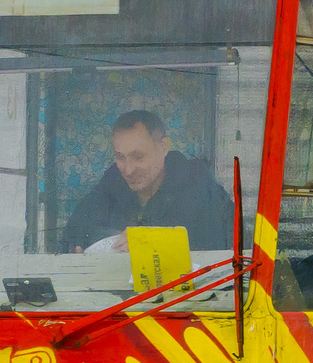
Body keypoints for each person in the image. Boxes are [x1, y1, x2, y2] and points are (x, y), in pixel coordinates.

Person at [62, 109, 235, 255]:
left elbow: (224, 250)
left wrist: (153, 245)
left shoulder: (203, 192)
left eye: (138, 157)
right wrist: (77, 250)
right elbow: (69, 240)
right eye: (120, 157)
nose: (128, 170)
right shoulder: (107, 188)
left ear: (163, 148)